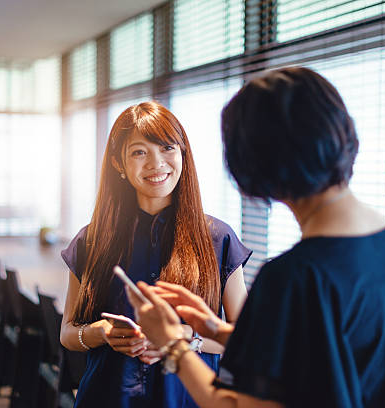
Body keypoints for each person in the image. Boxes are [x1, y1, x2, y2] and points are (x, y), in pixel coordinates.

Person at [127, 67, 385, 408]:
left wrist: (173, 343)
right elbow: (326, 352)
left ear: (254, 165)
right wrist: (217, 330)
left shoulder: (293, 277)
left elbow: (233, 404)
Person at [59, 101, 252, 408]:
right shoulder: (92, 239)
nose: (156, 163)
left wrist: (185, 336)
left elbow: (246, 340)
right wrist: (101, 332)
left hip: (188, 399)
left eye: (167, 148)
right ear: (118, 164)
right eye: (139, 152)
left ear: (183, 155)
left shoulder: (218, 238)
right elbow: (68, 333)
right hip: (108, 397)